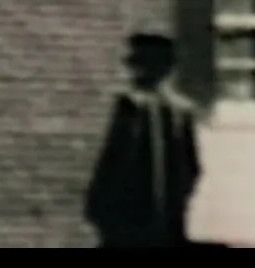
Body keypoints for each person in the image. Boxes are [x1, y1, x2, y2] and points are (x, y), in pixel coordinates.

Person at [85, 34, 201, 248]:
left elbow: (116, 159)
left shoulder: (138, 106)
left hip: (141, 217)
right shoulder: (176, 109)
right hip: (152, 218)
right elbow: (192, 169)